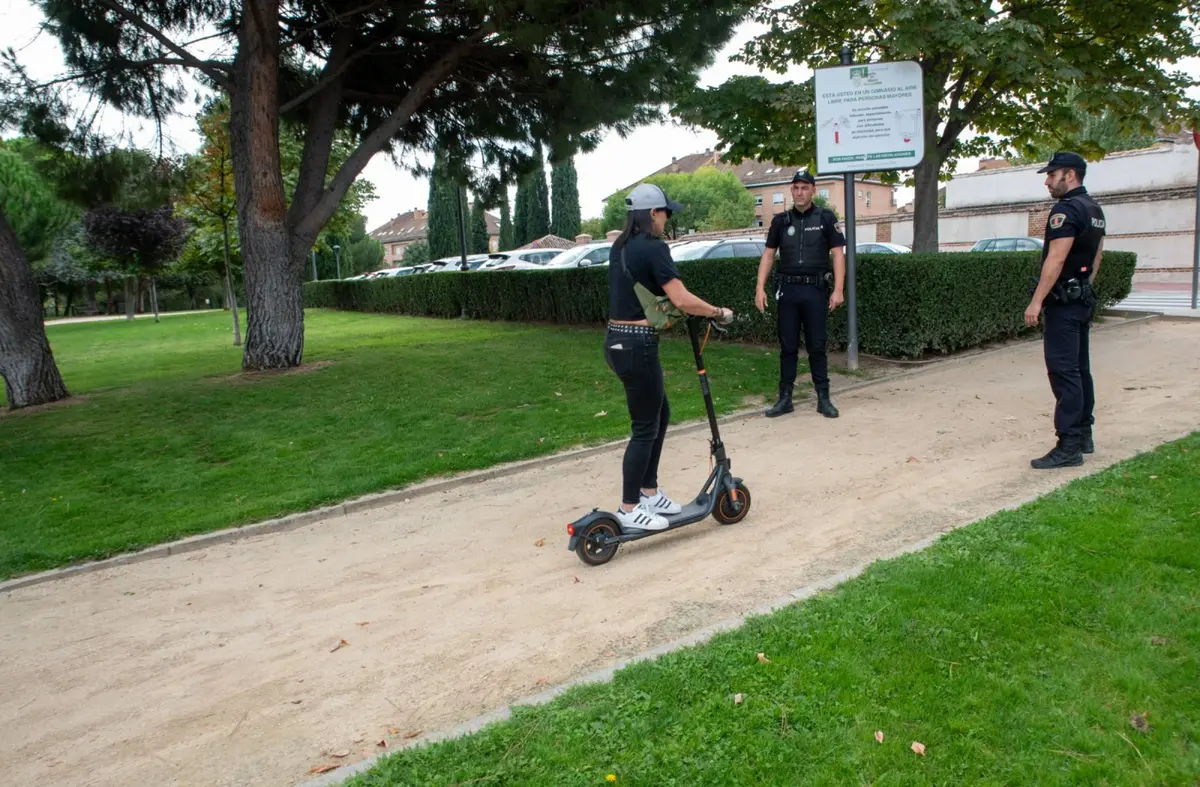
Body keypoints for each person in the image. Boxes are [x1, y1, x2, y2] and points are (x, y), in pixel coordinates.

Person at [605, 183, 734, 531]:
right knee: (645, 427)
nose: (666, 220)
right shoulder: (653, 247)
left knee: (660, 413)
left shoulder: (620, 246)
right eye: (665, 213)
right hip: (637, 346)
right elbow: (681, 299)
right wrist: (718, 312)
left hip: (617, 341)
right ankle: (629, 506)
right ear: (652, 213)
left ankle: (648, 492)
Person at [1024, 151, 1106, 469]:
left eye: (1052, 174)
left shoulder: (1066, 209)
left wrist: (1037, 301)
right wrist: (1084, 286)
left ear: (1069, 175)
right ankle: (1084, 434)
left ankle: (1069, 445)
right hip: (1082, 298)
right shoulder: (1094, 208)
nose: (1047, 181)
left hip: (1064, 303)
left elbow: (1056, 258)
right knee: (1080, 368)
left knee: (1063, 371)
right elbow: (1097, 255)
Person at [756, 170, 846, 418]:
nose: (799, 192)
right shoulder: (781, 221)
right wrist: (759, 287)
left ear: (813, 191)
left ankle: (823, 399)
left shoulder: (826, 218)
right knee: (788, 346)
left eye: (804, 188)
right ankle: (785, 399)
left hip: (815, 290)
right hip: (788, 291)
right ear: (791, 191)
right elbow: (768, 255)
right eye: (795, 188)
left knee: (817, 345)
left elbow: (838, 254)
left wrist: (838, 289)